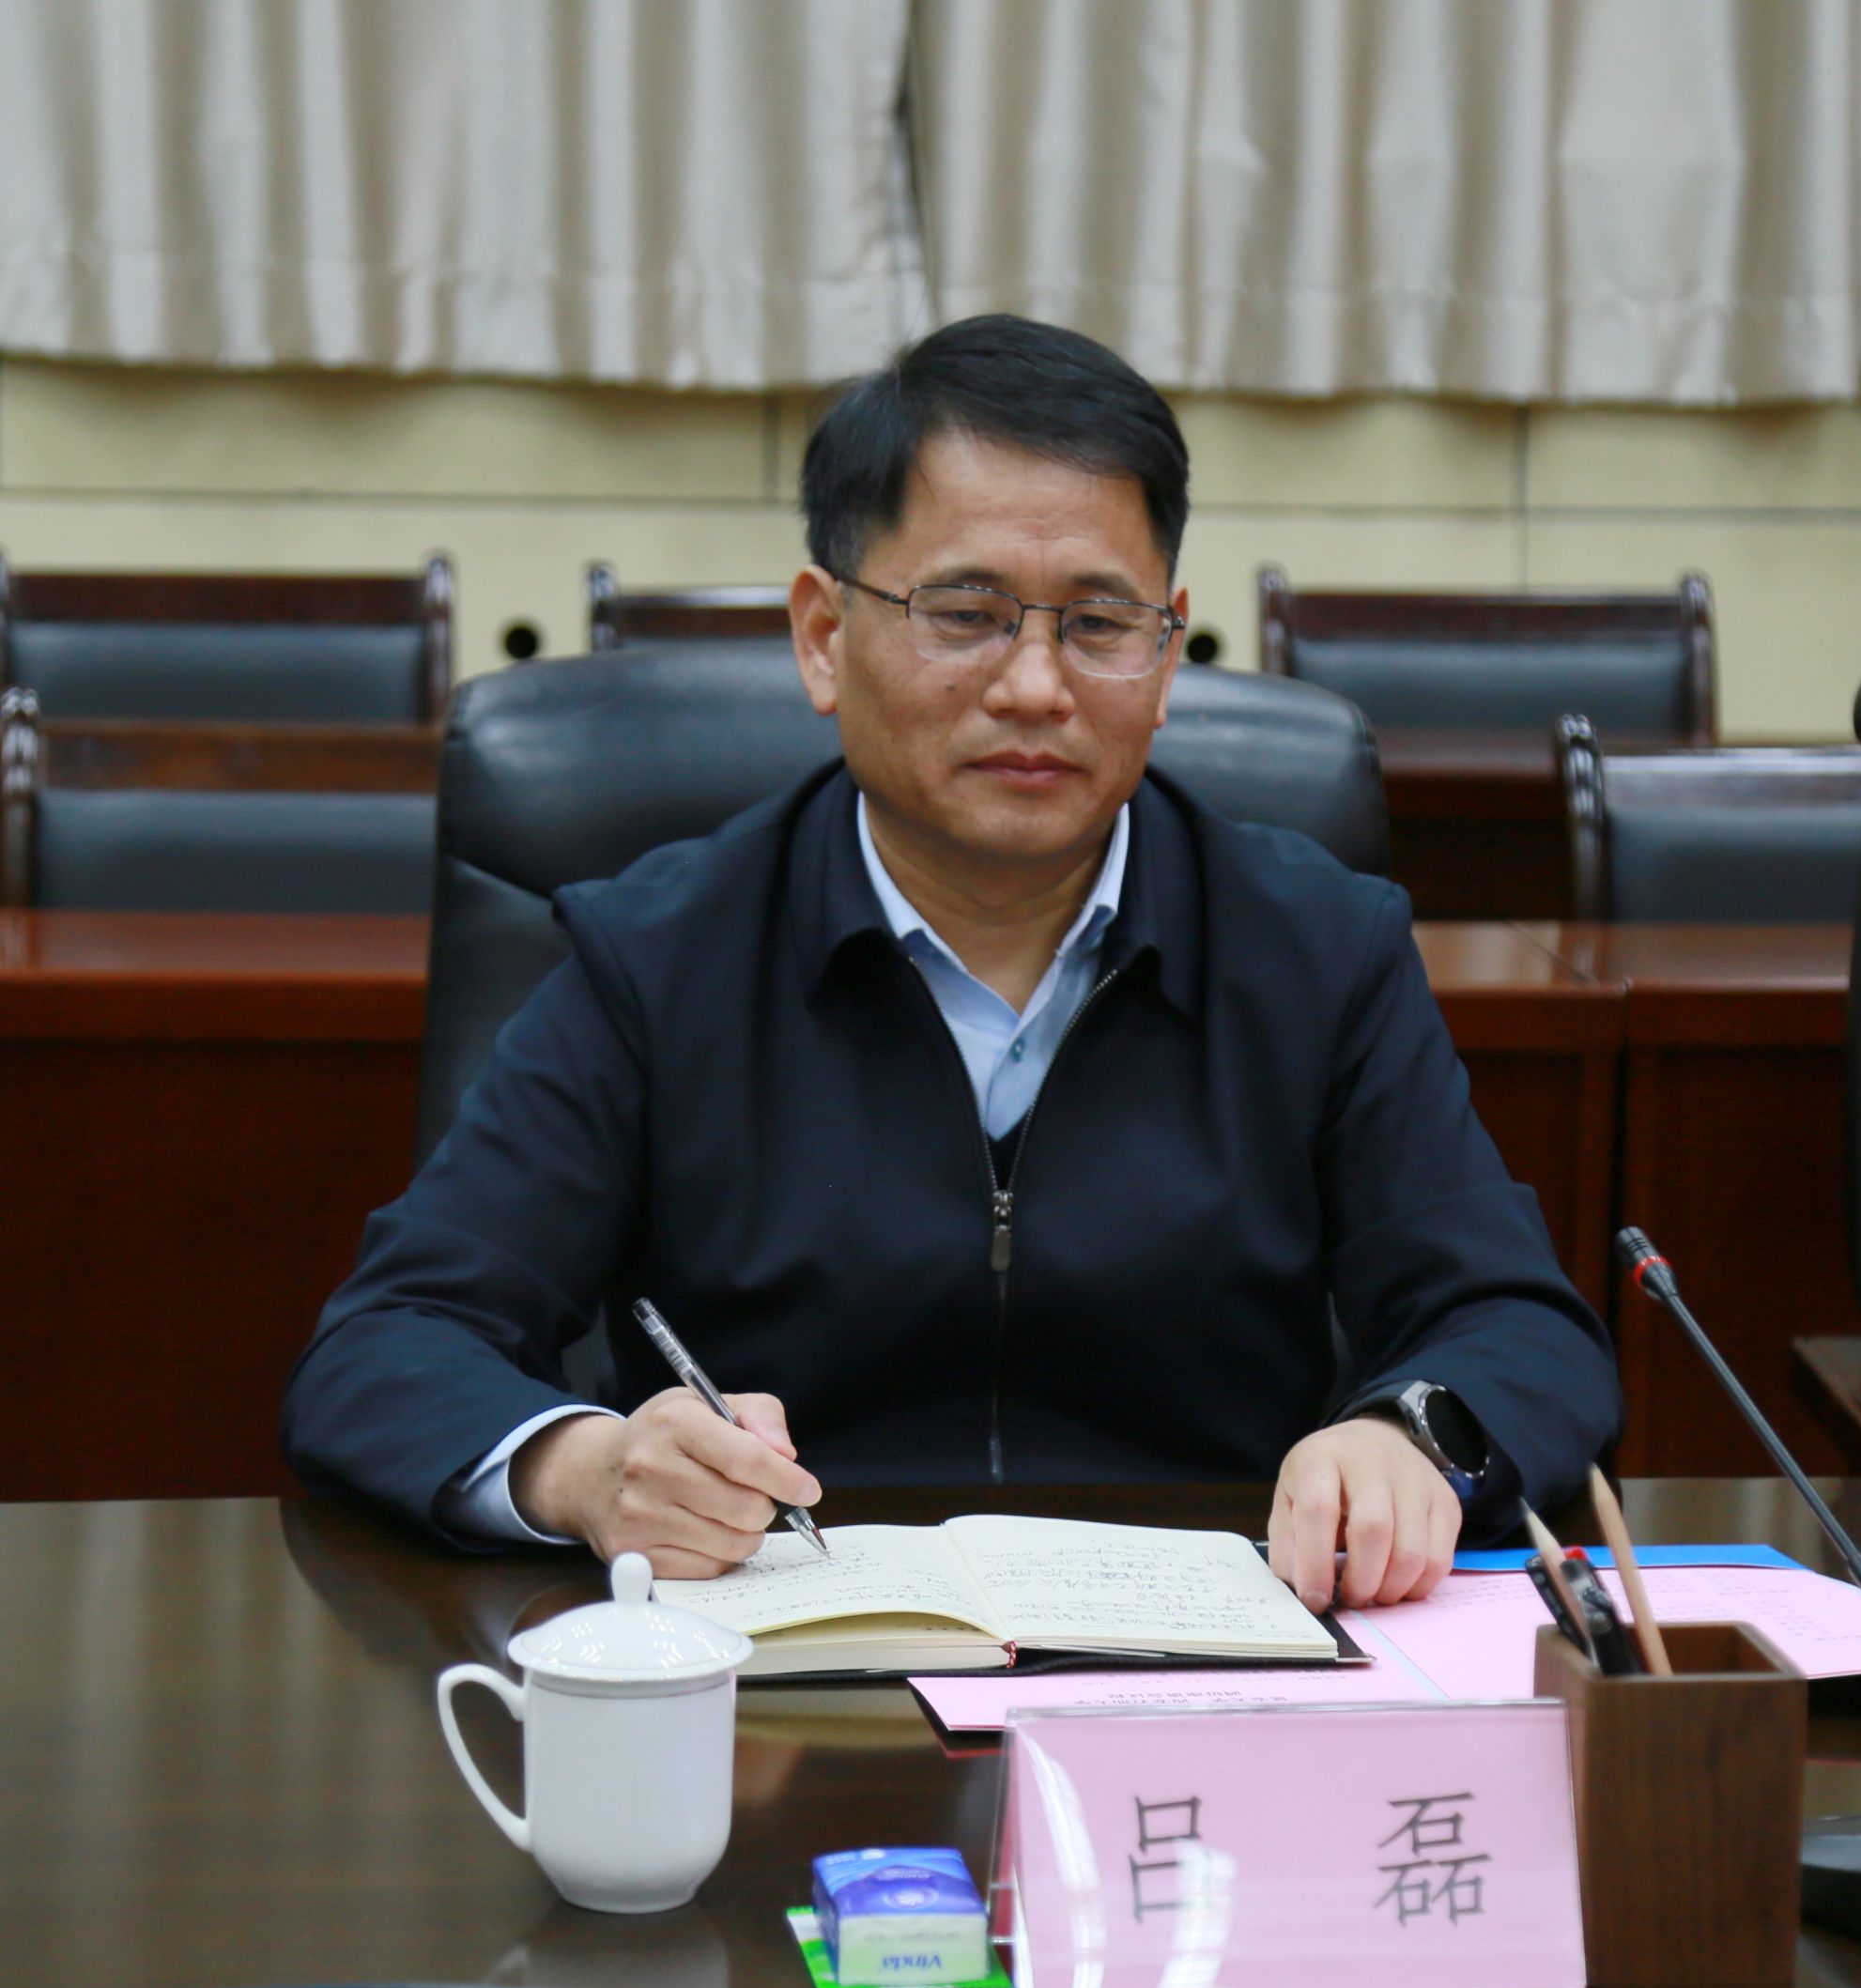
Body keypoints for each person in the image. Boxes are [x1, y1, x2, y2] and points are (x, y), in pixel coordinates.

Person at [283, 315, 1621, 1615]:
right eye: (967, 613)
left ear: (1167, 655)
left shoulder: (1315, 946)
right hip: (786, 1677)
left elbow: (1520, 1328)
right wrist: (586, 1469)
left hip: (1202, 1667)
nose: (1035, 685)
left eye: (1099, 623)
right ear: (824, 636)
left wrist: (1407, 1435)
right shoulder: (660, 955)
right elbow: (389, 1344)